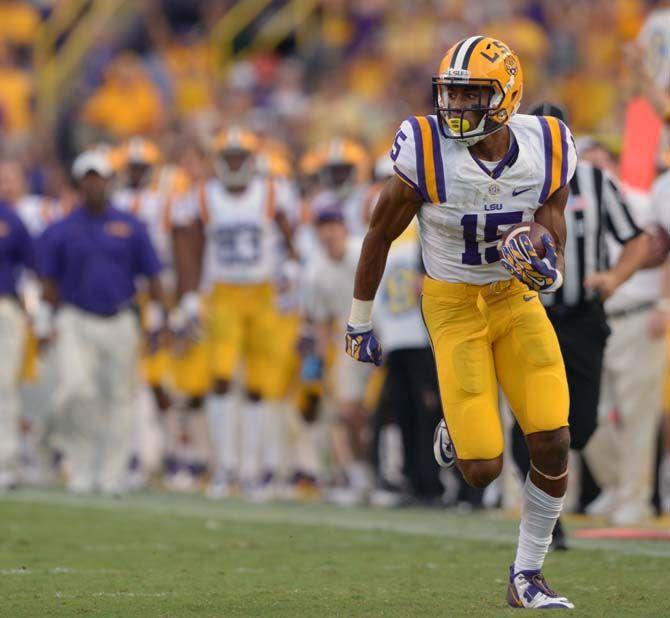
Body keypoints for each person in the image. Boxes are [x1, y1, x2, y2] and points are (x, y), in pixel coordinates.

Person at [345, 36, 578, 608]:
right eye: (451, 93)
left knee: (553, 439)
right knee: (480, 470)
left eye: (472, 95)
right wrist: (359, 320)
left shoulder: (546, 141)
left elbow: (552, 211)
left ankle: (527, 574)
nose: (457, 107)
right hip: (452, 304)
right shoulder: (425, 148)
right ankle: (456, 425)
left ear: (507, 96)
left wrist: (546, 246)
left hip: (514, 300)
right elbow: (379, 233)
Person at [511, 105, 651, 544]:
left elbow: (638, 239)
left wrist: (615, 276)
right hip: (531, 311)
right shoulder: (509, 183)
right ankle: (545, 517)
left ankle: (546, 494)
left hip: (585, 318)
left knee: (582, 424)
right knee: (533, 419)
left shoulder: (595, 180)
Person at [174, 127, 297, 498]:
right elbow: (187, 246)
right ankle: (226, 465)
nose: (234, 164)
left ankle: (253, 468)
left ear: (252, 159)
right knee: (222, 377)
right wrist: (190, 295)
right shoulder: (202, 196)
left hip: (262, 293)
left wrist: (292, 263)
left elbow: (290, 233)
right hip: (223, 293)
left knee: (260, 384)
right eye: (228, 158)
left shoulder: (273, 191)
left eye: (239, 158)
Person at [36, 150, 165, 495]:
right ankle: (80, 465)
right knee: (76, 390)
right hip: (76, 317)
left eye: (100, 177)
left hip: (121, 317)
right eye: (88, 178)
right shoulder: (62, 229)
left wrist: (159, 319)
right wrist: (45, 321)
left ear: (110, 181)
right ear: (78, 184)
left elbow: (152, 275)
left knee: (119, 398)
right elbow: (47, 280)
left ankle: (111, 473)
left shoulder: (131, 225)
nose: (95, 184)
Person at [0, 187, 34, 489]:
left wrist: (33, 307)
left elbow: (33, 262)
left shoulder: (9, 217)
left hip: (4, 305)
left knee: (4, 384)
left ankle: (5, 460)